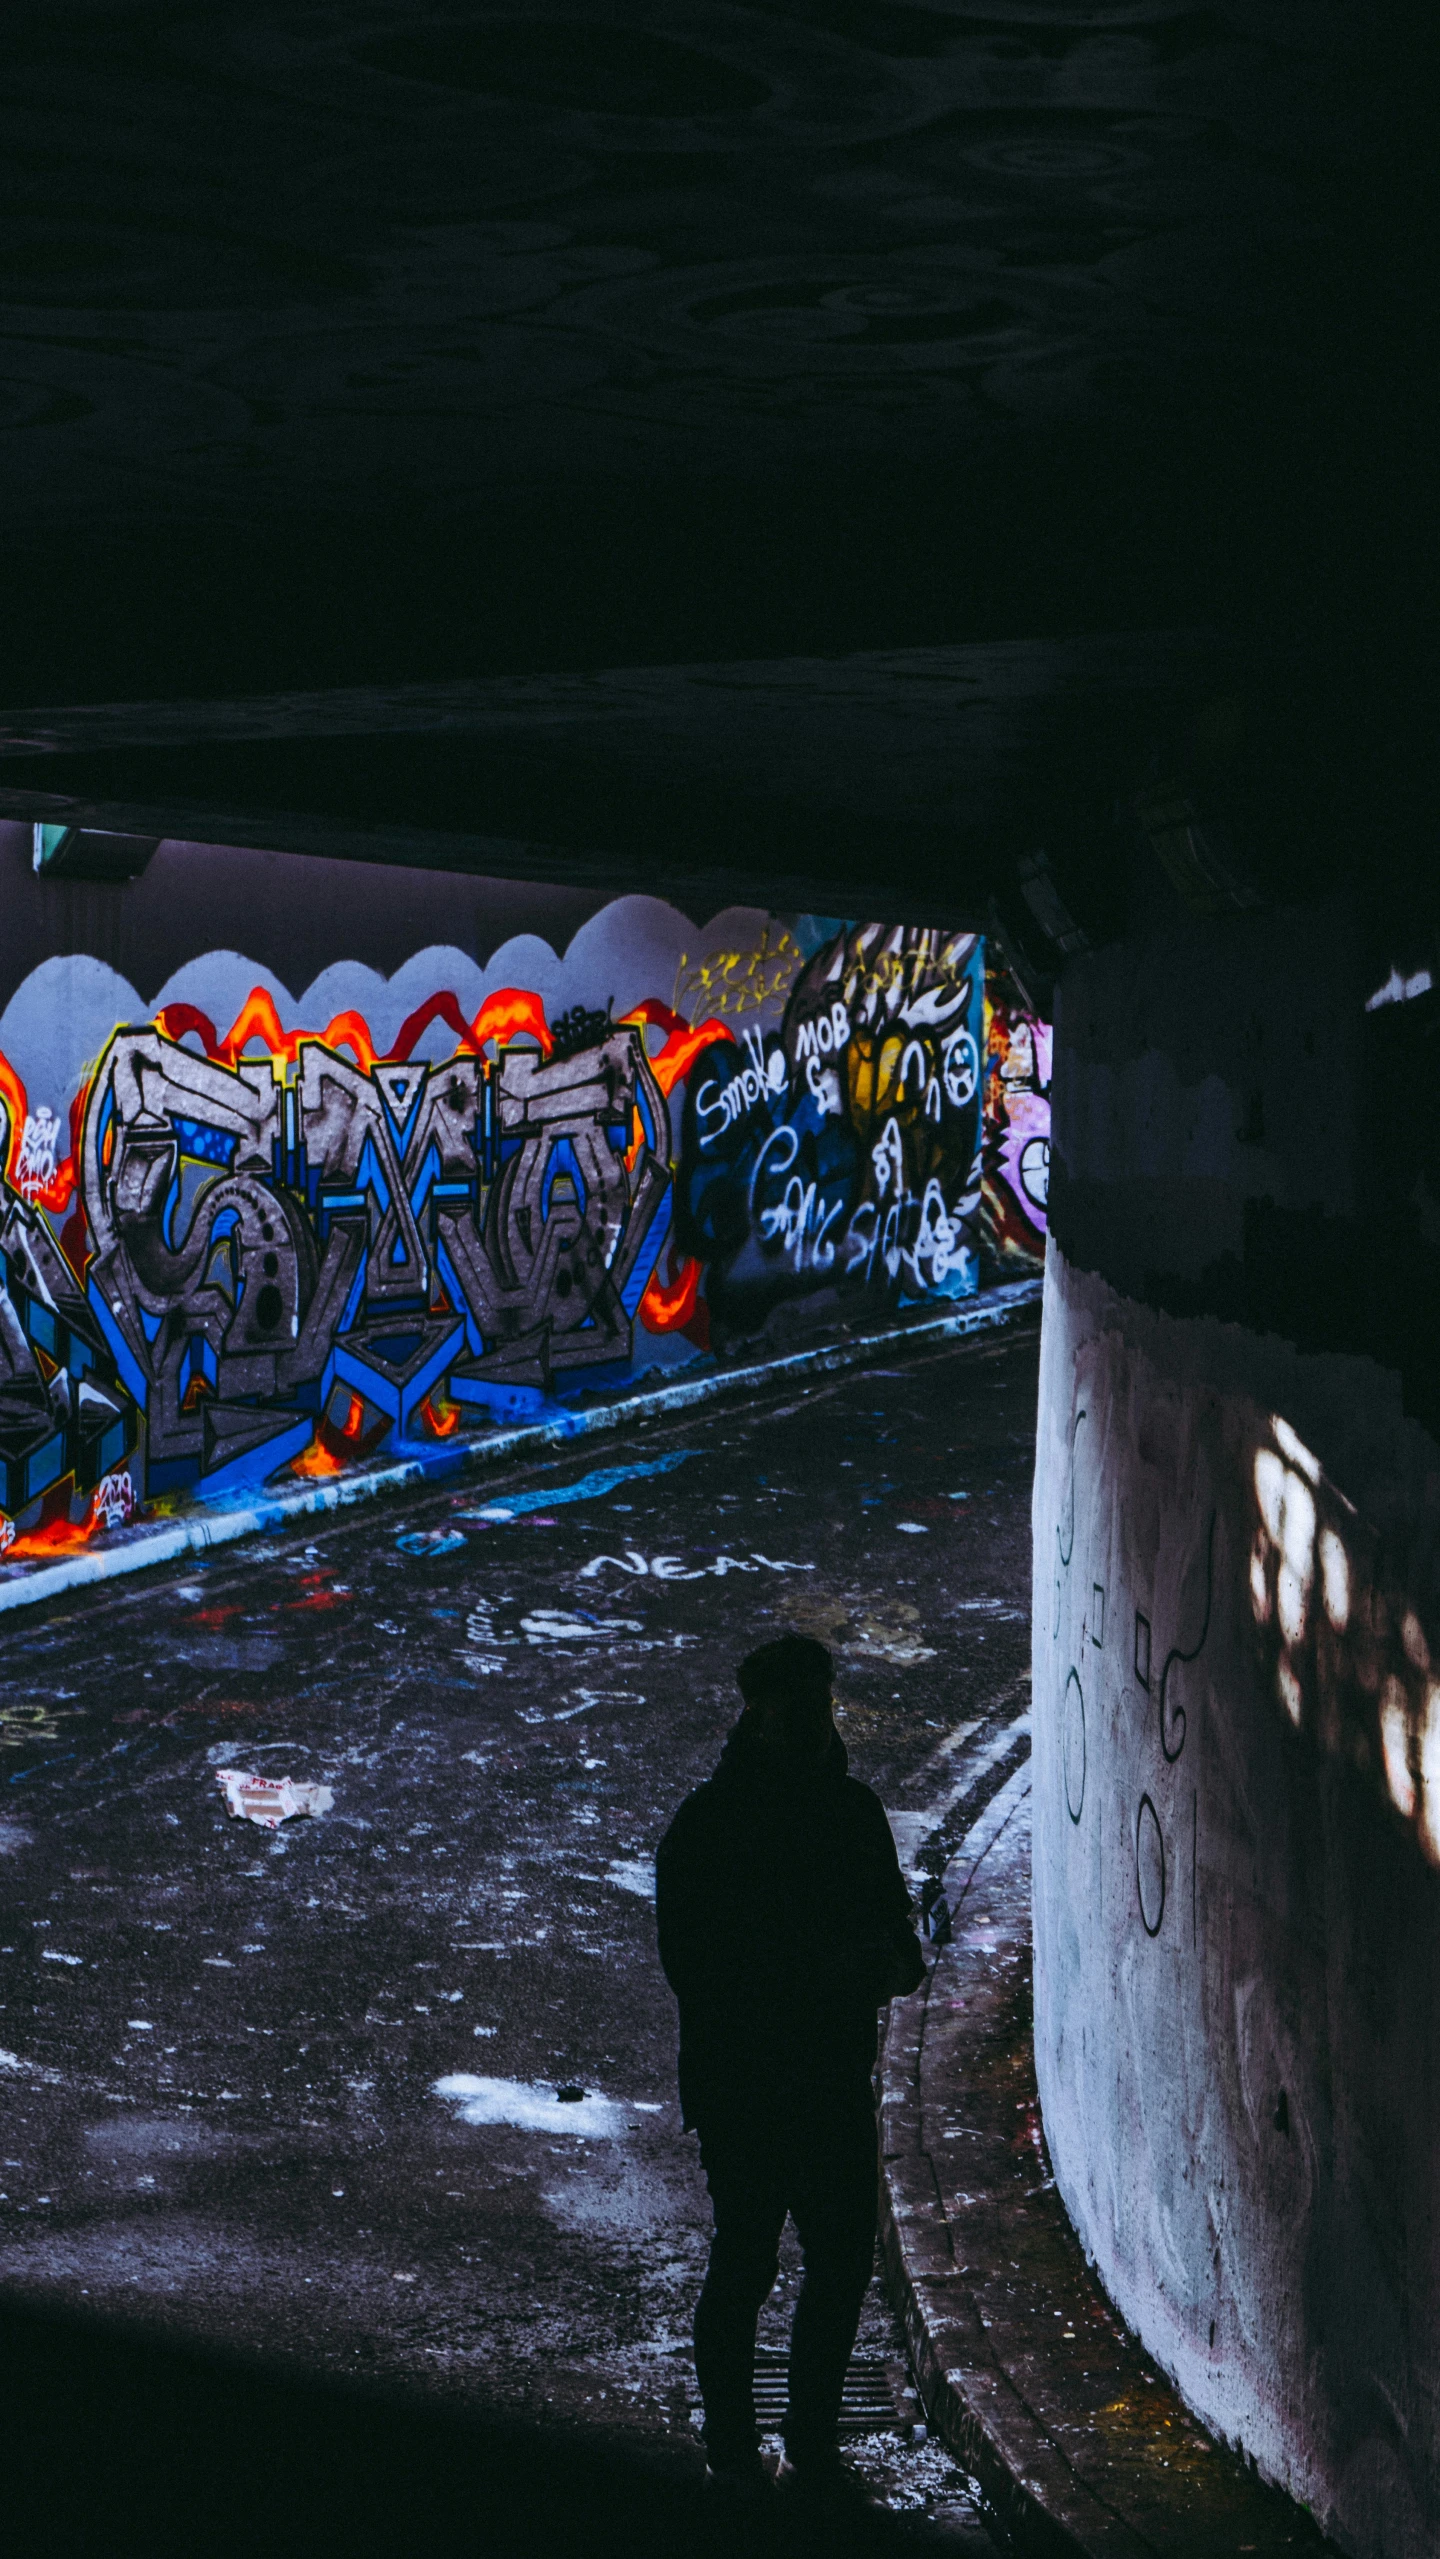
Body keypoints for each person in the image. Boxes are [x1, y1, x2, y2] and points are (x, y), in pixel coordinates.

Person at [655, 1633, 927, 2513]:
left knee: (768, 2260)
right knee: (804, 2259)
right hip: (798, 2083)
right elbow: (897, 1955)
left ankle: (748, 2451)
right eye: (804, 1706)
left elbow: (691, 1964)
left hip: (751, 2085)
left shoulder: (711, 1820)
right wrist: (844, 1972)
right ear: (769, 1714)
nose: (816, 1720)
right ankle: (789, 2444)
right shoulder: (835, 1814)